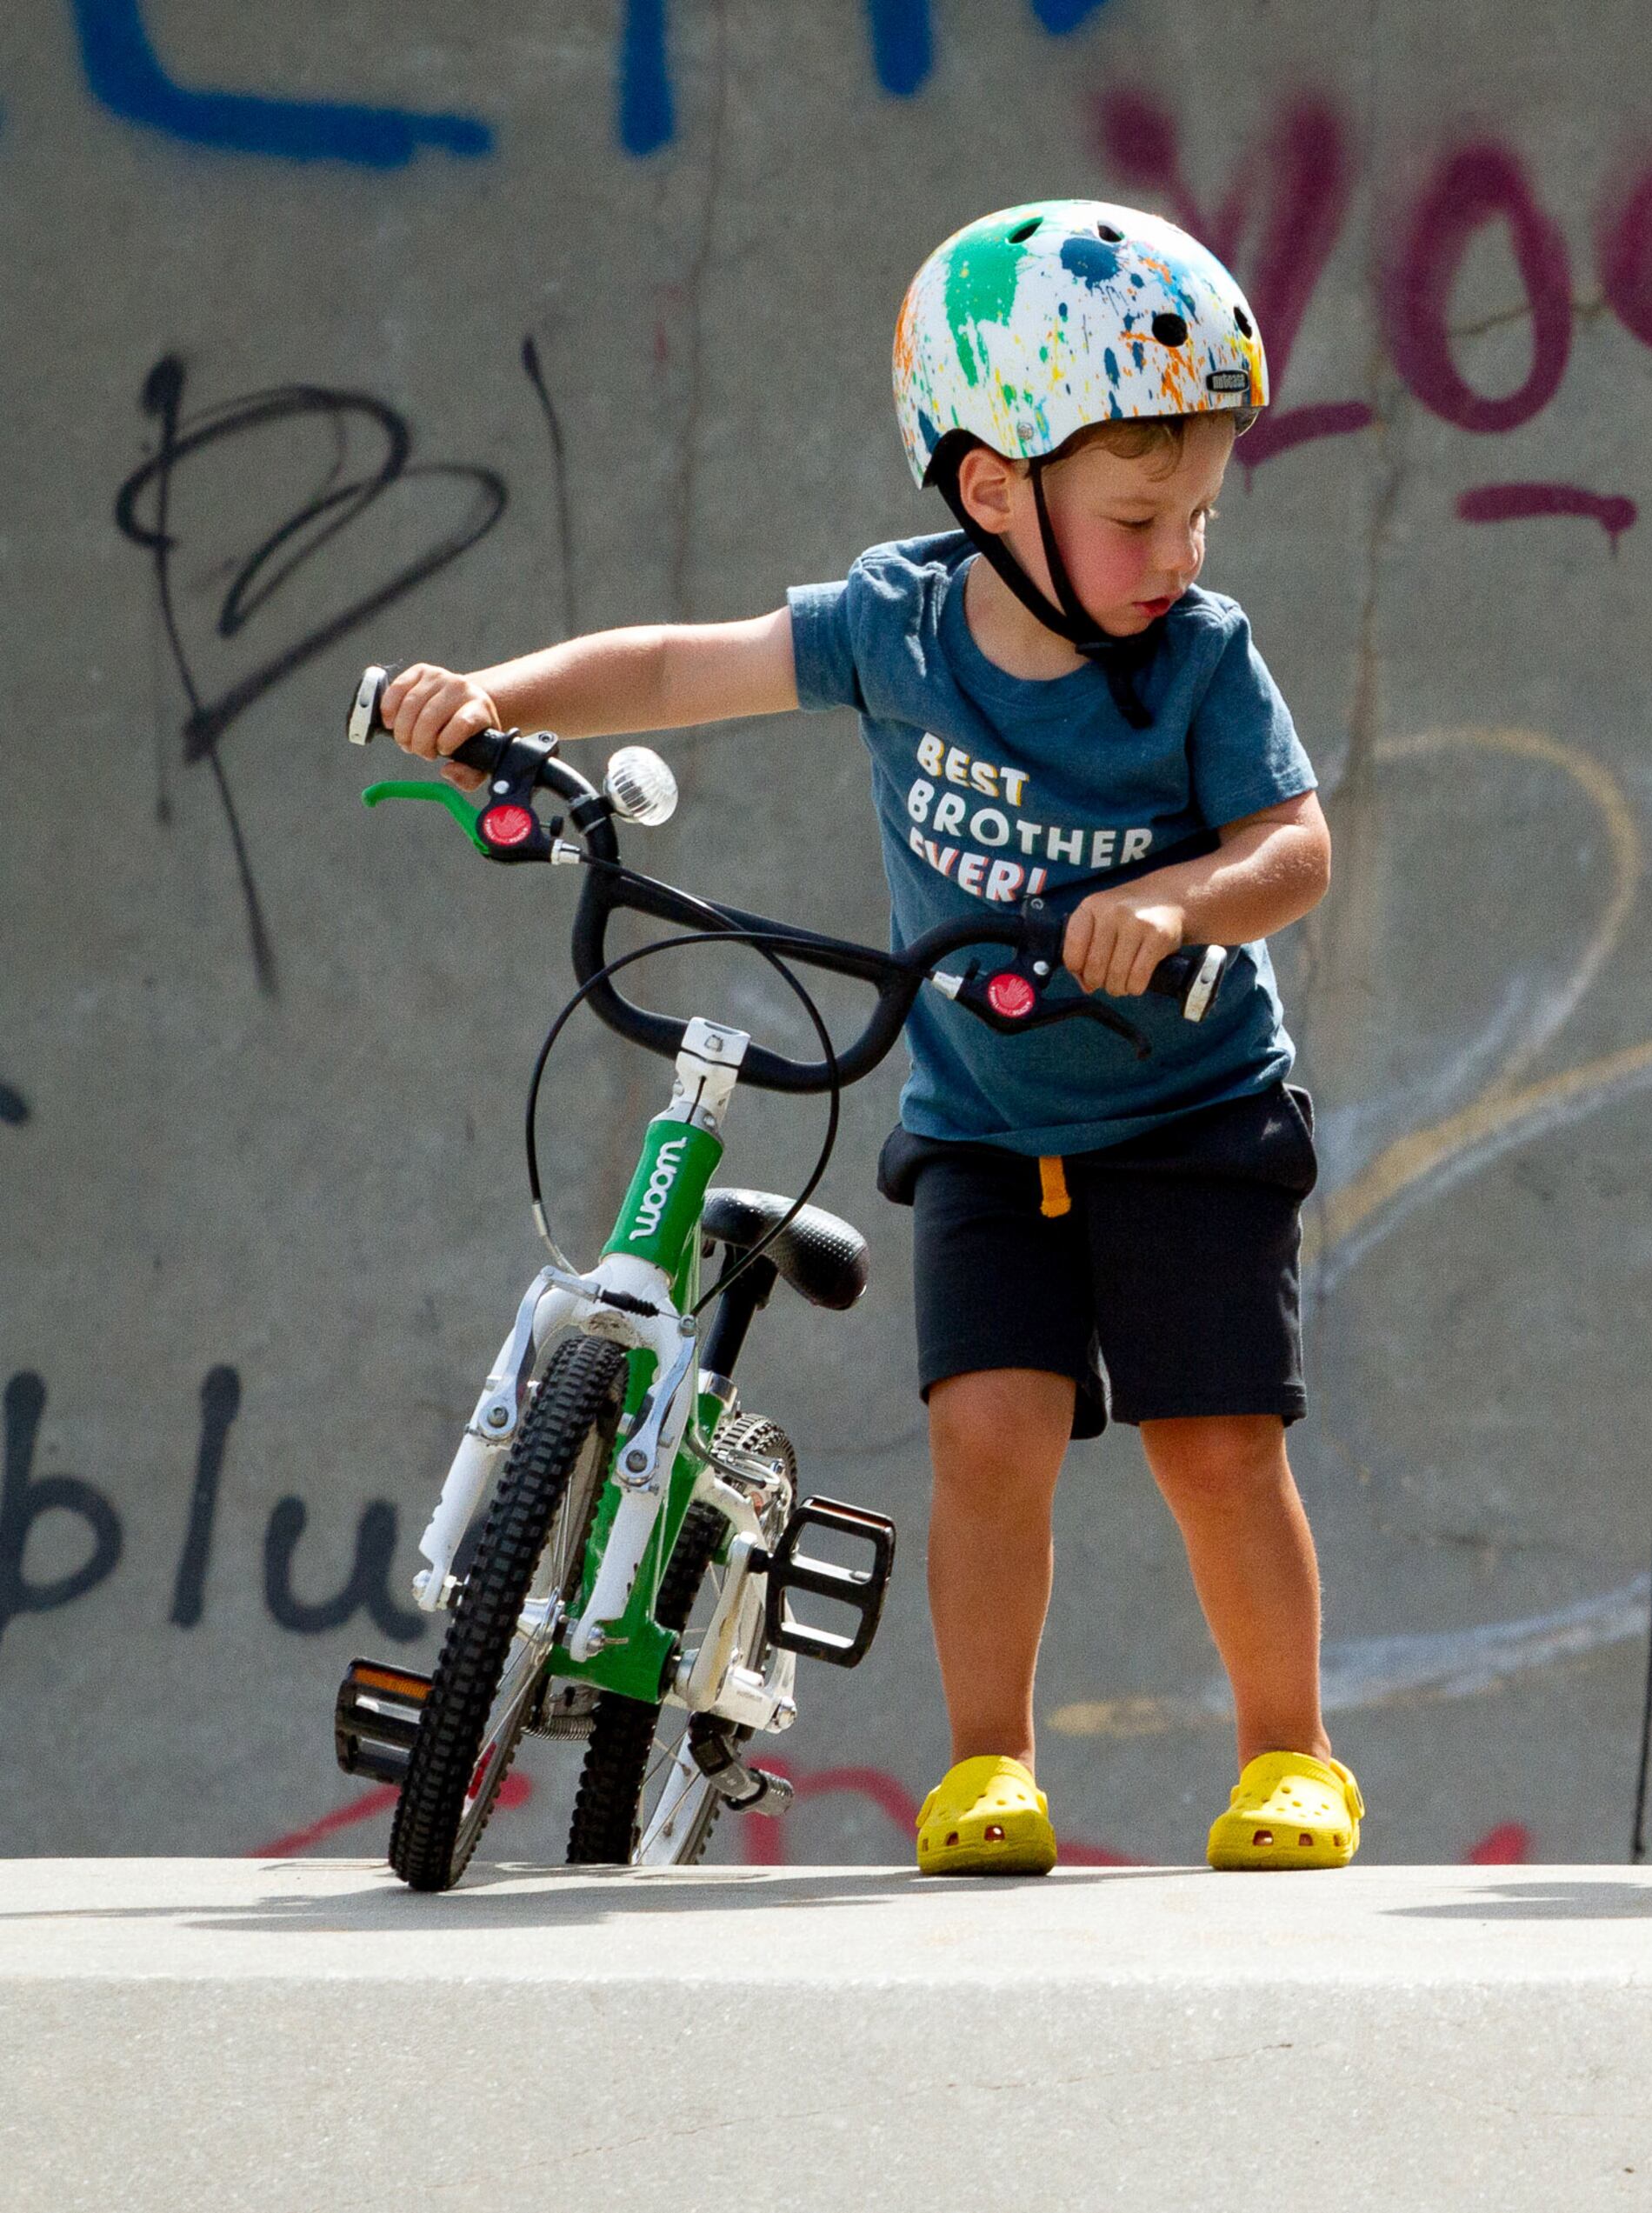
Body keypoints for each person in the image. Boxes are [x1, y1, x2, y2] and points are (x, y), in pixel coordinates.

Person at [375, 202, 1361, 1876]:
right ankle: (993, 1765)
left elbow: (1297, 849)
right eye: (1140, 515)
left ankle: (1292, 1752)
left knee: (1216, 1440)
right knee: (988, 1438)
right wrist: (501, 696)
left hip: (1189, 1108)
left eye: (1199, 510)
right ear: (992, 491)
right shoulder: (895, 628)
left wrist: (1186, 902)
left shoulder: (1201, 661)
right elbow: (687, 665)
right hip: (986, 1119)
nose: (1181, 549)